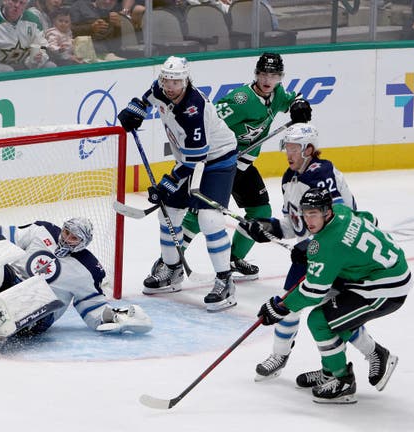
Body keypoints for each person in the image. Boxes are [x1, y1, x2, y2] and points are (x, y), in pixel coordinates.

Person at [239, 124, 390, 387]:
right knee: (288, 305)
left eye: (294, 148)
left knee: (330, 316)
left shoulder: (321, 174)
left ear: (308, 149)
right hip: (312, 253)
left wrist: (308, 245)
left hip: (335, 256)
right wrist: (267, 227)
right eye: (287, 147)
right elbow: (291, 224)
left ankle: (370, 355)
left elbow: (336, 225)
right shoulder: (290, 177)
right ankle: (281, 356)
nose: (289, 152)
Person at [255, 187, 411, 403]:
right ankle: (330, 371)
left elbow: (313, 291)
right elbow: (370, 219)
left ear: (327, 212)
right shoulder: (341, 211)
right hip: (381, 272)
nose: (308, 220)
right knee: (338, 317)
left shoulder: (326, 245)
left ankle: (343, 381)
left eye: (314, 213)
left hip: (386, 287)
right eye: (306, 212)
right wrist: (318, 248)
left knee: (320, 321)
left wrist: (280, 306)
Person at [0, 208, 152, 340]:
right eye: (67, 232)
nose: (67, 239)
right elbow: (6, 235)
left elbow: (92, 308)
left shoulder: (89, 269)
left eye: (74, 237)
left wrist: (115, 318)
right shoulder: (43, 230)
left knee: (38, 289)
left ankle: (2, 316)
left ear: (84, 242)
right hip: (9, 287)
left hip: (39, 314)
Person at [117, 56, 238, 311]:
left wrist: (168, 184)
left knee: (209, 219)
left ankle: (225, 280)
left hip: (216, 161)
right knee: (168, 214)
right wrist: (136, 108)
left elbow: (196, 161)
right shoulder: (161, 88)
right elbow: (148, 97)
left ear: (186, 80)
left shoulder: (193, 109)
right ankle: (172, 271)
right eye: (167, 80)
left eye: (176, 81)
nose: (170, 86)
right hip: (189, 159)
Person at [181, 52, 312, 281]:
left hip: (244, 166)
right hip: (221, 164)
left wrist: (299, 104)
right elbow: (208, 121)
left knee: (261, 213)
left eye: (273, 75)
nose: (267, 80)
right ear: (256, 74)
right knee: (200, 216)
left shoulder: (277, 94)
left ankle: (233, 259)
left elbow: (293, 98)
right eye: (263, 74)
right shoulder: (241, 99)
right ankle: (169, 263)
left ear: (280, 77)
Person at [0, 0, 56, 72]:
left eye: (22, 3)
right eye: (14, 1)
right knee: (7, 70)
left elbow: (42, 44)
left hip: (26, 64)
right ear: (5, 1)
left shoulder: (33, 19)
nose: (17, 5)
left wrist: (37, 57)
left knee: (50, 66)